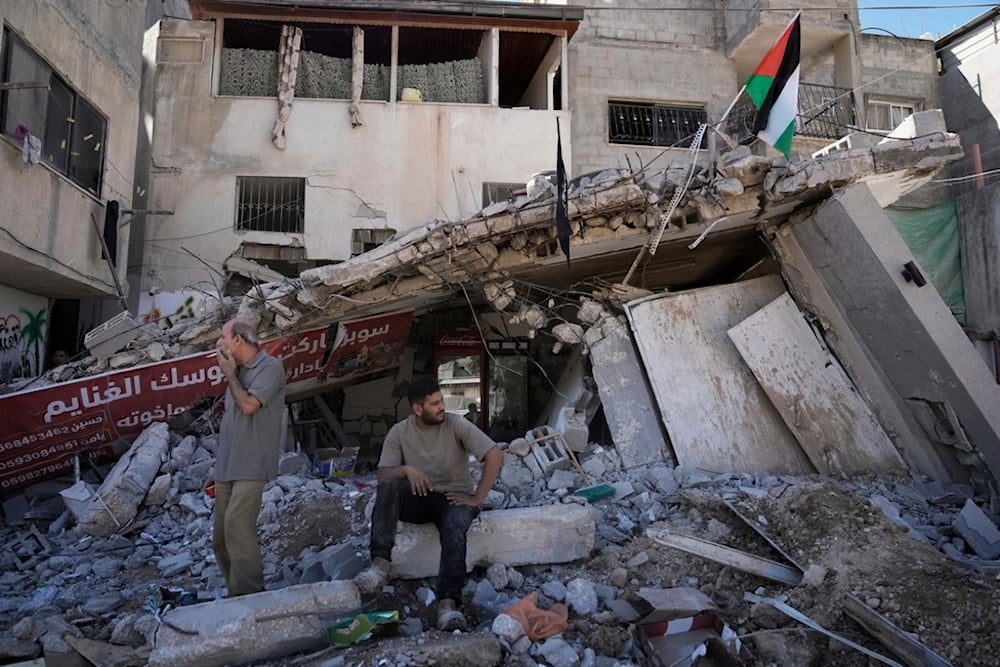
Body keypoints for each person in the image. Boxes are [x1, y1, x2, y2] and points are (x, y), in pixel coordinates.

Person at [354, 377, 504, 631]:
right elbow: (382, 476)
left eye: (441, 400)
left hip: (453, 498)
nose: (442, 407)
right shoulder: (400, 432)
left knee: (456, 523)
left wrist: (477, 498)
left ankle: (448, 605)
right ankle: (379, 567)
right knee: (390, 486)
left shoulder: (456, 424)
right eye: (434, 403)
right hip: (420, 498)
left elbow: (494, 454)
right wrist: (406, 469)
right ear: (417, 409)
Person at [203, 318, 286, 597]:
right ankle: (234, 592)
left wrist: (230, 375)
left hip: (252, 462)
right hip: (229, 464)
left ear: (238, 339)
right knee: (221, 537)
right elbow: (230, 422)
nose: (219, 343)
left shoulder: (270, 367)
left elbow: (249, 405)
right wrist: (216, 467)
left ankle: (250, 595)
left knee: (237, 527)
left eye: (222, 337)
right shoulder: (237, 372)